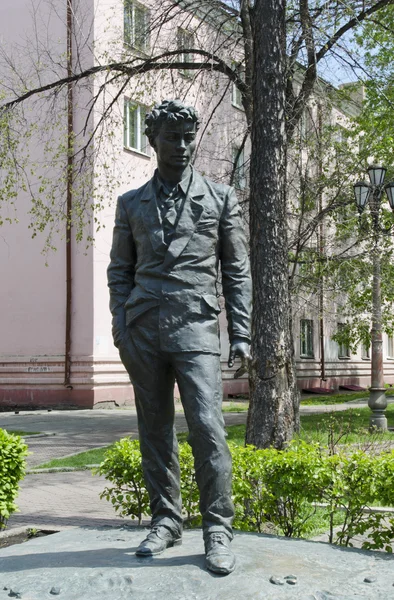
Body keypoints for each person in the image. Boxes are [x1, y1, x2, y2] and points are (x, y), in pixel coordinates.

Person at [107, 99, 252, 575]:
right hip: (143, 329)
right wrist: (120, 326)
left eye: (190, 137)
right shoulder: (130, 204)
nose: (184, 146)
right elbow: (119, 271)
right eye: (174, 137)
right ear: (153, 141)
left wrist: (242, 333)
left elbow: (236, 270)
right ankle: (166, 520)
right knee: (155, 430)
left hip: (195, 325)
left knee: (208, 428)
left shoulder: (219, 197)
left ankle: (217, 529)